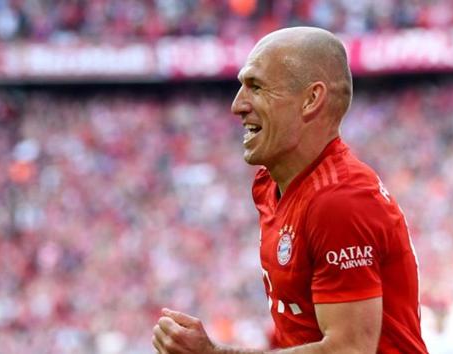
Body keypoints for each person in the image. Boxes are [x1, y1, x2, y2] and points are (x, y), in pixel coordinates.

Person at [152, 26, 429, 353]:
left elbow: (349, 349)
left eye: (256, 87)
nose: (237, 105)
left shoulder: (340, 200)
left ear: (311, 100)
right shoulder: (270, 185)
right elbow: (301, 325)